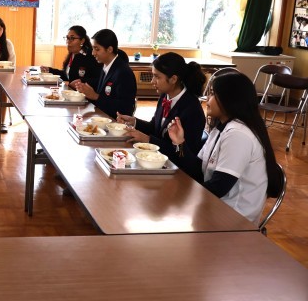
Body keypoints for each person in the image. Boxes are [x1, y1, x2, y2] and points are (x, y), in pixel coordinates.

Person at [167, 71, 283, 224]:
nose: (208, 99)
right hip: (216, 208)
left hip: (233, 220)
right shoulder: (221, 128)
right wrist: (179, 144)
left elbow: (218, 187)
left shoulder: (238, 134)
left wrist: (180, 196)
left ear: (229, 99)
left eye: (213, 94)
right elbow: (197, 169)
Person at [117, 52, 206, 162]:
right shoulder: (165, 95)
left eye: (157, 77)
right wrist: (134, 122)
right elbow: (155, 128)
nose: (152, 81)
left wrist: (148, 140)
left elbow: (184, 155)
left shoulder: (192, 110)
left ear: (173, 79)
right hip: (157, 159)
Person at [74, 29, 136, 118]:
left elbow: (125, 108)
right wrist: (86, 93)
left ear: (110, 49)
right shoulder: (105, 66)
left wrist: (95, 96)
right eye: (93, 48)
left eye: (97, 49)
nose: (93, 53)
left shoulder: (123, 72)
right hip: (101, 116)